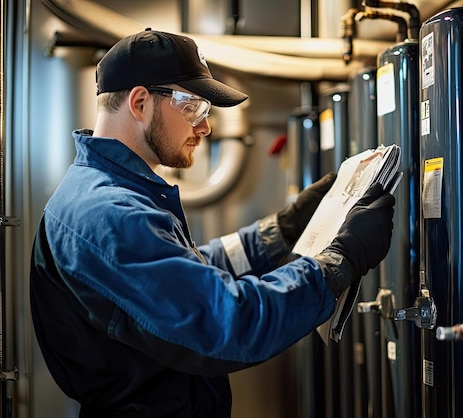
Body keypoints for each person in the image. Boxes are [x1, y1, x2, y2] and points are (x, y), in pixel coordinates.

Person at [29, 28, 395, 418]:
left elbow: (188, 274)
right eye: (194, 109)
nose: (205, 127)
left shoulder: (110, 192)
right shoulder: (109, 212)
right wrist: (340, 261)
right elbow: (225, 321)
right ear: (139, 102)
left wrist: (282, 230)